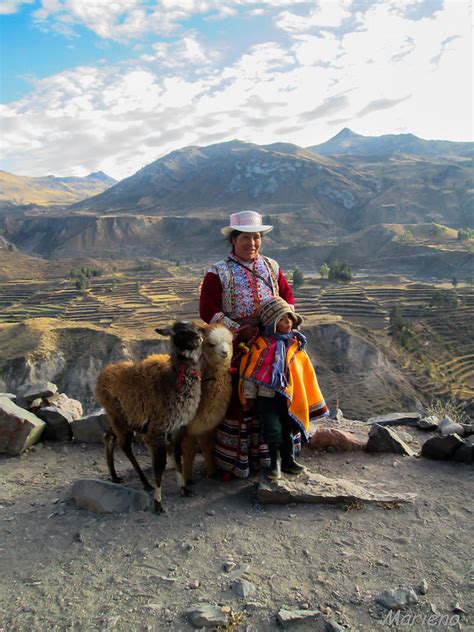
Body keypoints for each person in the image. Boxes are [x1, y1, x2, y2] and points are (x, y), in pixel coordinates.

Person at [199, 210, 295, 478]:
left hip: (272, 340)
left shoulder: (272, 267)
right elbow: (208, 310)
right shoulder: (218, 272)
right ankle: (237, 460)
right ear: (233, 239)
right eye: (245, 237)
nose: (251, 243)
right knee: (239, 398)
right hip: (238, 343)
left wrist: (283, 320)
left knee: (284, 390)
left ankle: (280, 454)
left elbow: (287, 296)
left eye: (256, 237)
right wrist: (237, 329)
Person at [239, 296, 329, 480]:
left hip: (290, 397)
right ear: (271, 323)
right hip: (267, 397)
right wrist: (249, 397)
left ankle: (289, 460)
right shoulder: (260, 345)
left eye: (289, 318)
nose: (287, 322)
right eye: (281, 319)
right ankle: (275, 463)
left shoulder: (295, 344)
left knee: (289, 428)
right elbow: (250, 371)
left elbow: (303, 373)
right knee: (272, 430)